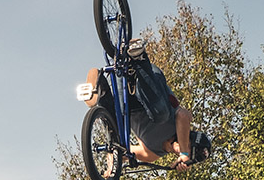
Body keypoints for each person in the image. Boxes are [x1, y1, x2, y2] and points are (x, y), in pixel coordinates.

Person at [83, 43, 210, 171]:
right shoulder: (181, 123)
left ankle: (99, 87)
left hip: (128, 104)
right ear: (189, 139)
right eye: (188, 147)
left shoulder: (152, 153)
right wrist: (184, 153)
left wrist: (113, 164)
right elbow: (183, 115)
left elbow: (122, 151)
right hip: (148, 82)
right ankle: (139, 57)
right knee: (161, 115)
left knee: (117, 136)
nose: (181, 151)